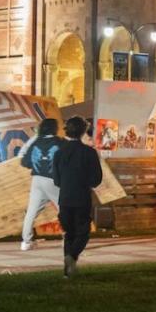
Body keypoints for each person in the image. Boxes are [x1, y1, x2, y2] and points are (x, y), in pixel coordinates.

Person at [53, 116, 103, 277]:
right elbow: (96, 179)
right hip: (82, 197)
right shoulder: (89, 153)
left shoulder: (60, 152)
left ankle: (67, 272)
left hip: (65, 197)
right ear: (83, 131)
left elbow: (56, 179)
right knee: (83, 231)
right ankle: (72, 256)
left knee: (69, 233)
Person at [18, 119, 65, 251]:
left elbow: (24, 162)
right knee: (65, 209)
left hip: (37, 180)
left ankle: (26, 242)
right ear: (55, 128)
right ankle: (69, 239)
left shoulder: (36, 142)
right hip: (54, 180)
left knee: (31, 212)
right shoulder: (60, 142)